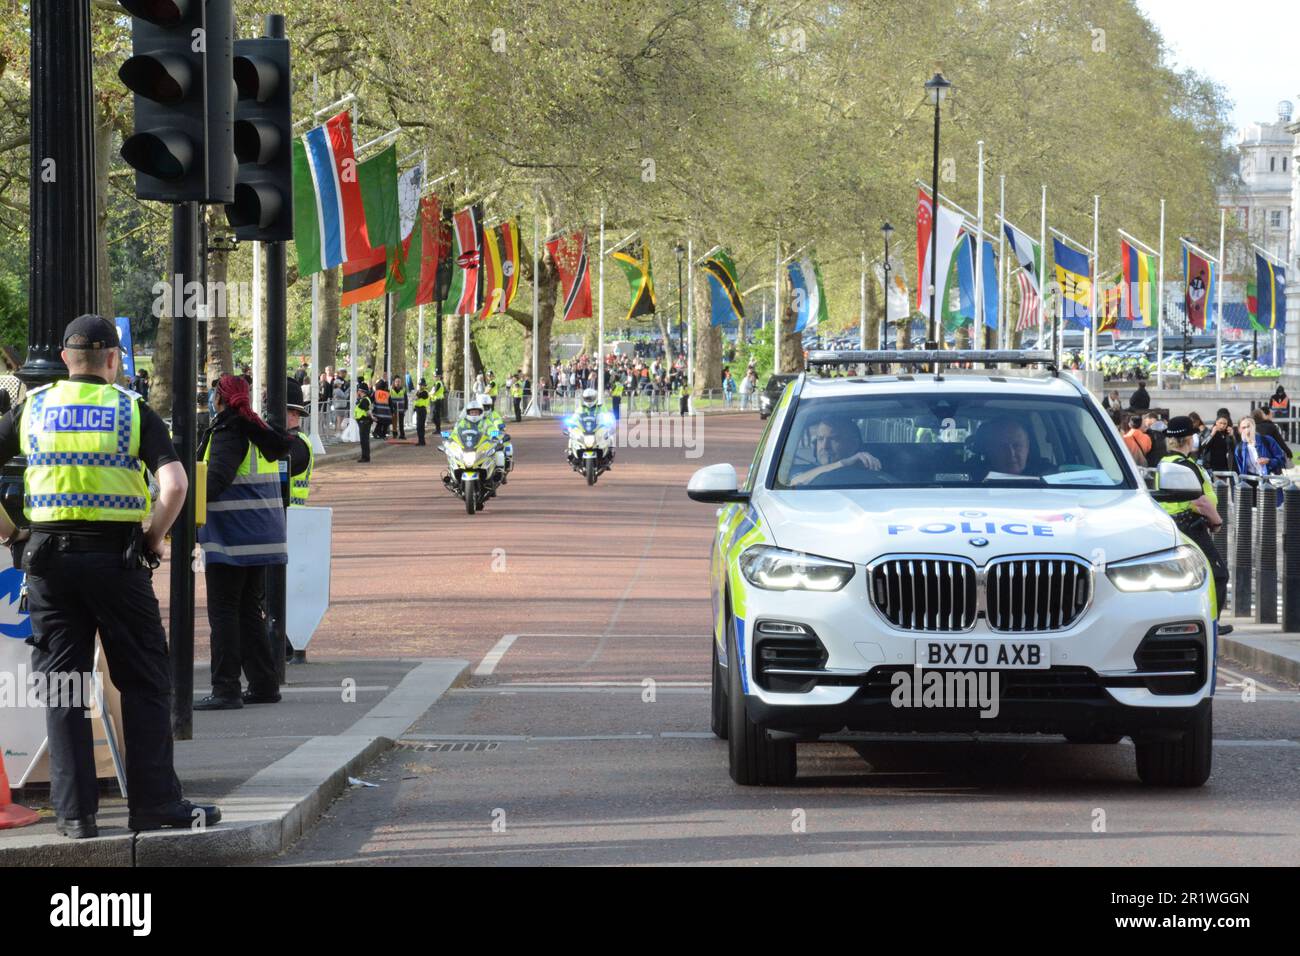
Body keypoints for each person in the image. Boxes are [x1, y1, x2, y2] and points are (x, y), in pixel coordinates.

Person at [0, 314, 220, 836]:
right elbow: (175, 487)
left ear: (63, 358)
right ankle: (155, 804)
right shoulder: (132, 411)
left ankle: (76, 816)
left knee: (63, 687)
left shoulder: (31, 407)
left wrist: (13, 534)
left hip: (49, 561)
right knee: (144, 679)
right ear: (114, 359)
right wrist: (153, 538)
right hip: (118, 561)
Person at [195, 374, 295, 710]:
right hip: (262, 535)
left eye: (213, 394)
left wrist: (183, 505)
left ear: (220, 399)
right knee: (248, 611)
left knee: (223, 613)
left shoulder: (229, 431)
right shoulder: (257, 429)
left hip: (231, 537)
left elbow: (217, 478)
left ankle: (225, 688)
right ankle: (264, 683)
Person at [1156, 417, 1230, 633]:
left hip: (1172, 526)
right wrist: (1216, 521)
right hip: (1191, 525)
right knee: (1217, 574)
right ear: (1189, 439)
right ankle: (1211, 623)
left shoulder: (1164, 464)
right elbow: (1201, 501)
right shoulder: (1188, 467)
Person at [789, 415, 881, 487]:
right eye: (820, 439)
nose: (825, 446)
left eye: (834, 439)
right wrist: (843, 463)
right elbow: (794, 483)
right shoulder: (803, 470)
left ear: (853, 444)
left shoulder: (871, 473)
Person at [282, 378, 313, 508]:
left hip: (289, 514)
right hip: (288, 513)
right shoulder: (294, 440)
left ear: (294, 413)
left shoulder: (295, 444)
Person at [353, 384, 373, 462]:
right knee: (364, 440)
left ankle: (365, 457)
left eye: (358, 390)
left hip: (364, 421)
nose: (357, 392)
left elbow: (367, 410)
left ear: (361, 391)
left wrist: (372, 417)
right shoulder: (364, 399)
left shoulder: (364, 400)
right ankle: (365, 456)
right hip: (364, 421)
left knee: (364, 440)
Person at [389, 376, 408, 440]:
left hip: (401, 409)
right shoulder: (391, 390)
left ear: (401, 383)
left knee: (401, 423)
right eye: (396, 381)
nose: (398, 383)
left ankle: (402, 435)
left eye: (399, 382)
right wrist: (391, 409)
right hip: (394, 409)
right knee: (394, 422)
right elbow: (389, 400)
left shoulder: (403, 389)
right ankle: (394, 434)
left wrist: (406, 407)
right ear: (394, 382)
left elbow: (406, 399)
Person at [413, 379, 430, 446]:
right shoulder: (419, 391)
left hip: (422, 410)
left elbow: (418, 396)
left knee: (420, 426)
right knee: (418, 427)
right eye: (420, 385)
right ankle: (420, 440)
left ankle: (422, 441)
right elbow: (416, 399)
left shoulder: (425, 392)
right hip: (418, 409)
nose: (420, 386)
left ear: (424, 385)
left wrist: (416, 395)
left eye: (422, 385)